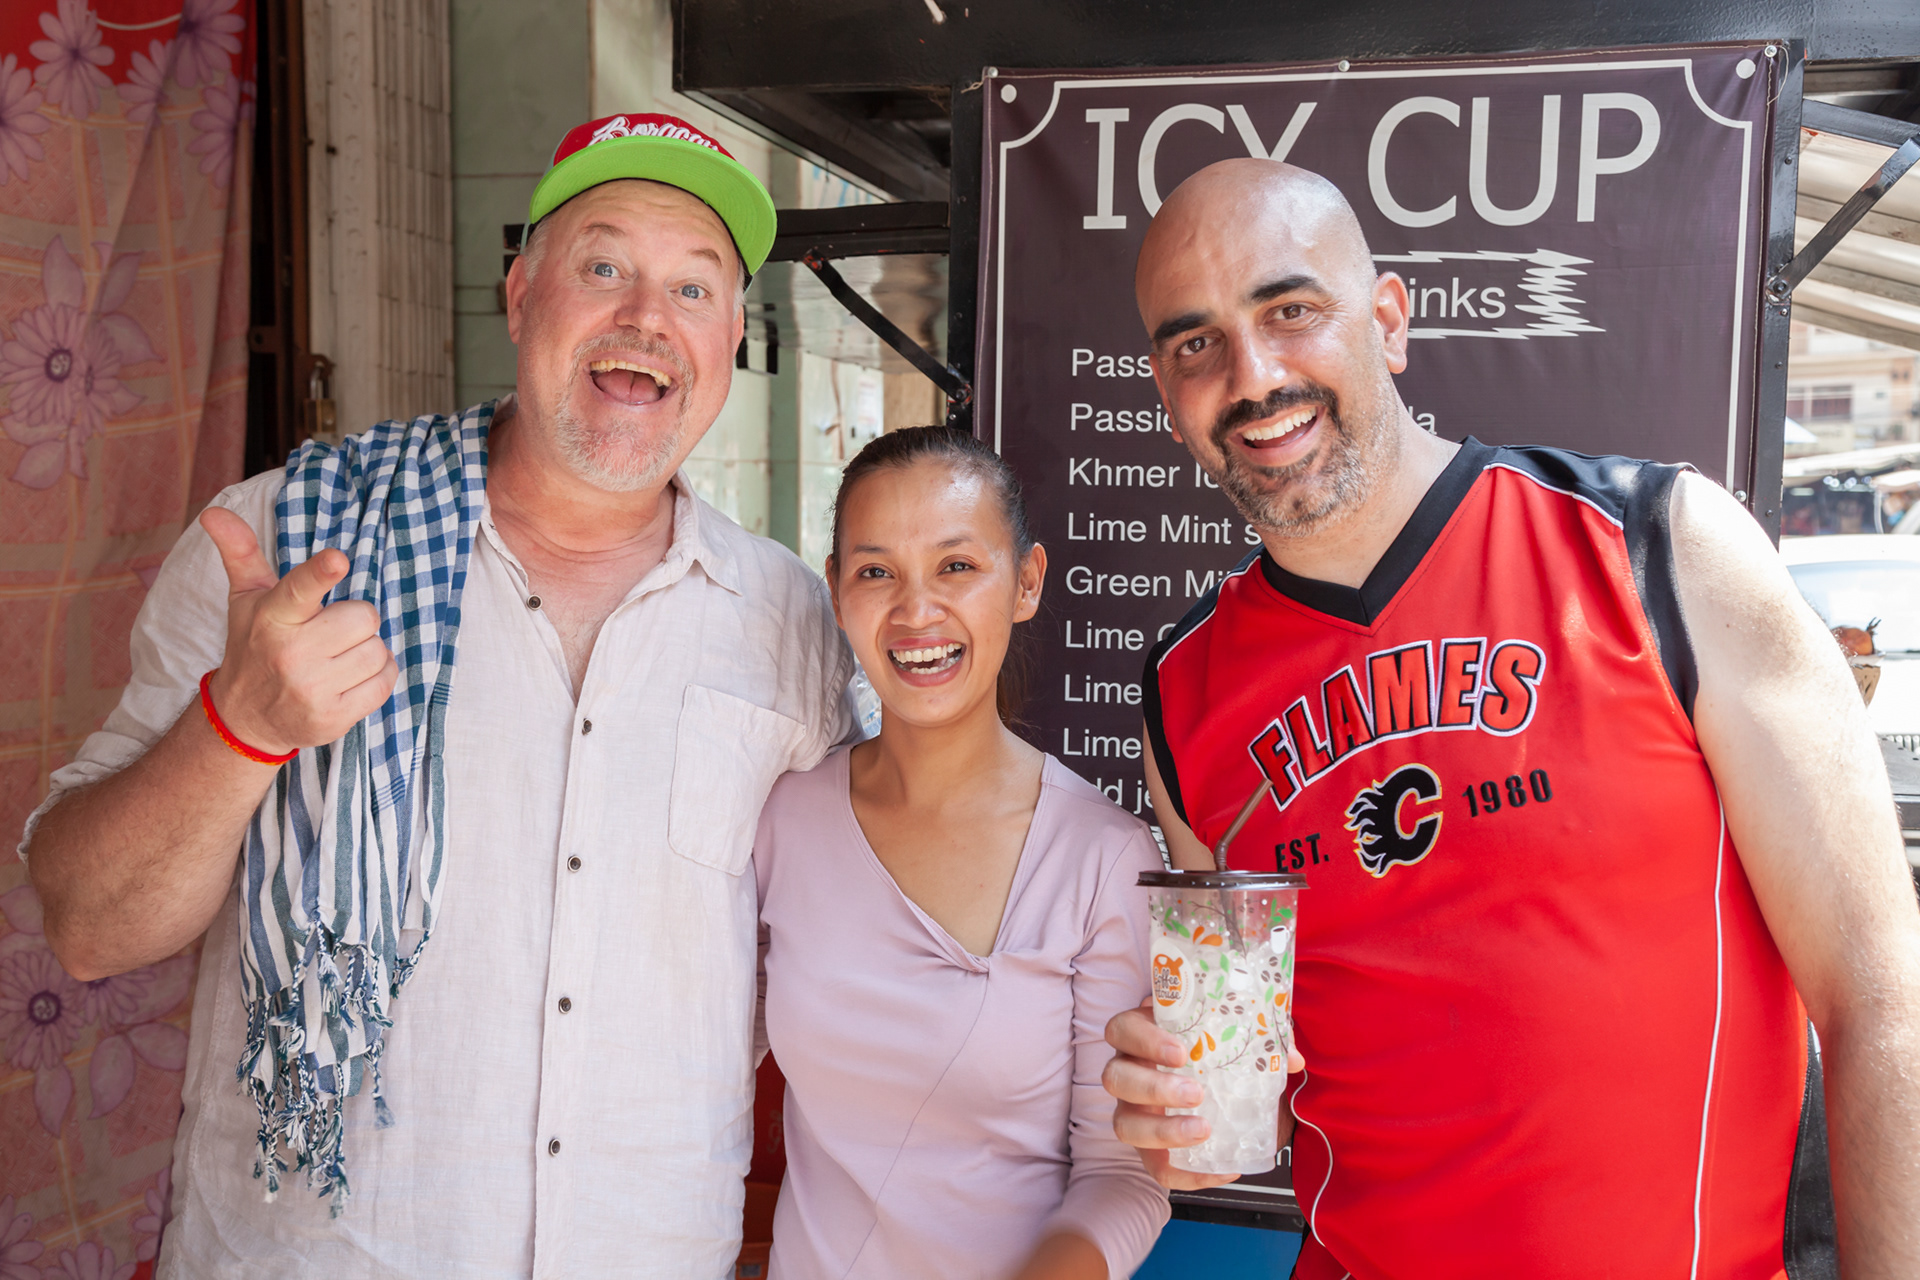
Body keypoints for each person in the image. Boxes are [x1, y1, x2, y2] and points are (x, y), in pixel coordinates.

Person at [21, 113, 855, 1277]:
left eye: (693, 287)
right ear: (519, 293)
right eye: (602, 267)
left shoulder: (792, 620)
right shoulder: (285, 545)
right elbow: (88, 925)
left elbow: (873, 942)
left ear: (729, 339)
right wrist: (238, 729)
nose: (646, 318)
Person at [1100, 159, 1920, 1278]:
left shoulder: (1663, 547)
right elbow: (1267, 1087)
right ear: (1165, 391)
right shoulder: (1183, 692)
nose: (1254, 376)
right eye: (1196, 343)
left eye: (1291, 310)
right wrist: (1183, 1117)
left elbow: (1882, 997)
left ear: (1389, 321)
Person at [753, 427, 1170, 1279]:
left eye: (956, 566)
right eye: (877, 573)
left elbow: (1122, 1176)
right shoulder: (781, 820)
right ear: (835, 591)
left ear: (1026, 582)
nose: (916, 612)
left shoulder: (1102, 861)